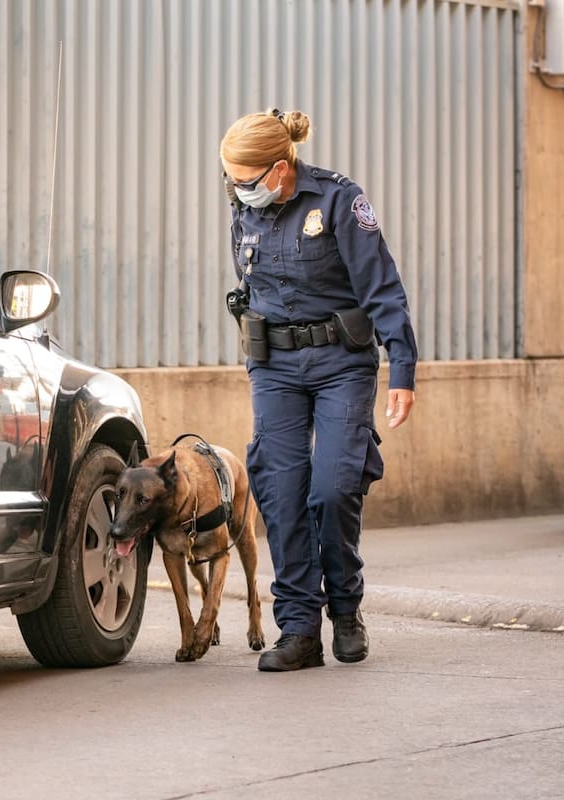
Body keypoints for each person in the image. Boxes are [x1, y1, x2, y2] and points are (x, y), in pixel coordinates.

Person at [219, 109, 417, 672]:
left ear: (282, 169)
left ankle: (347, 611)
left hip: (340, 363)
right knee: (281, 492)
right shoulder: (243, 204)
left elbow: (382, 287)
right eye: (230, 179)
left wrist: (401, 368)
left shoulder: (338, 201)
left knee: (332, 489)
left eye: (248, 180)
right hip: (275, 366)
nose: (238, 190)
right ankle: (299, 630)